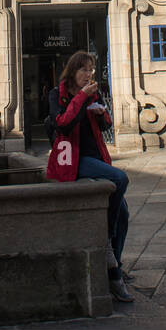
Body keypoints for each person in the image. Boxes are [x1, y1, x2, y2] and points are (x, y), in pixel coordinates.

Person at [45, 50, 133, 303]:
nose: (88, 74)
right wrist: (82, 99)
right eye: (84, 69)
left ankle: (113, 264)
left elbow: (106, 125)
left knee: (124, 215)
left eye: (91, 69)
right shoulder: (57, 94)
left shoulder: (93, 92)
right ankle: (111, 263)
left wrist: (100, 112)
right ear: (72, 71)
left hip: (96, 157)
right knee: (120, 179)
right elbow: (62, 124)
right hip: (72, 160)